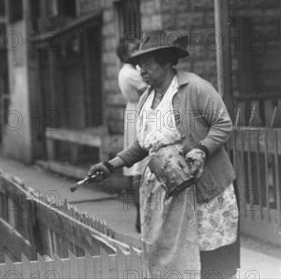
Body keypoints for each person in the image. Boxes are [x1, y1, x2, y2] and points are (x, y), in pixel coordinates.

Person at [89, 30, 239, 279]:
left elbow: (223, 123)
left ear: (167, 61)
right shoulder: (146, 98)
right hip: (165, 192)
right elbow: (144, 144)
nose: (141, 71)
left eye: (147, 64)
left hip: (202, 189)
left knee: (209, 259)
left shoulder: (196, 88)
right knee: (171, 257)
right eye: (139, 65)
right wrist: (110, 165)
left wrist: (201, 150)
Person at [116, 39, 147, 233]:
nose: (137, 51)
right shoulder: (130, 72)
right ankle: (141, 215)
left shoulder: (128, 70)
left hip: (133, 111)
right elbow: (148, 88)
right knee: (138, 165)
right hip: (138, 110)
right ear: (125, 54)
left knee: (138, 166)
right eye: (133, 50)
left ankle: (141, 216)